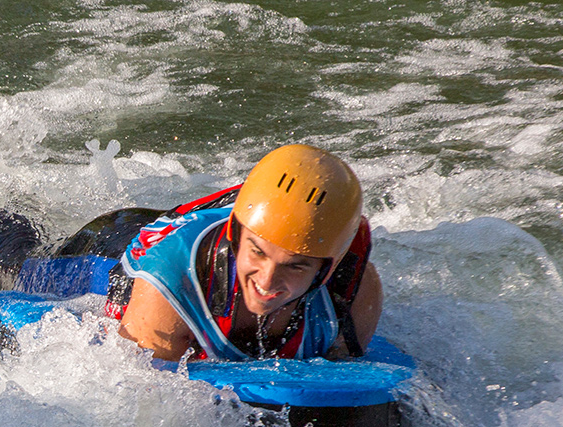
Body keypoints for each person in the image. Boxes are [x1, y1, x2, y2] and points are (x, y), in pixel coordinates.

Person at [115, 144, 382, 362]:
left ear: (328, 269)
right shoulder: (171, 279)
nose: (267, 281)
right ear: (235, 234)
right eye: (258, 253)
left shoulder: (355, 294)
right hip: (110, 245)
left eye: (295, 266)